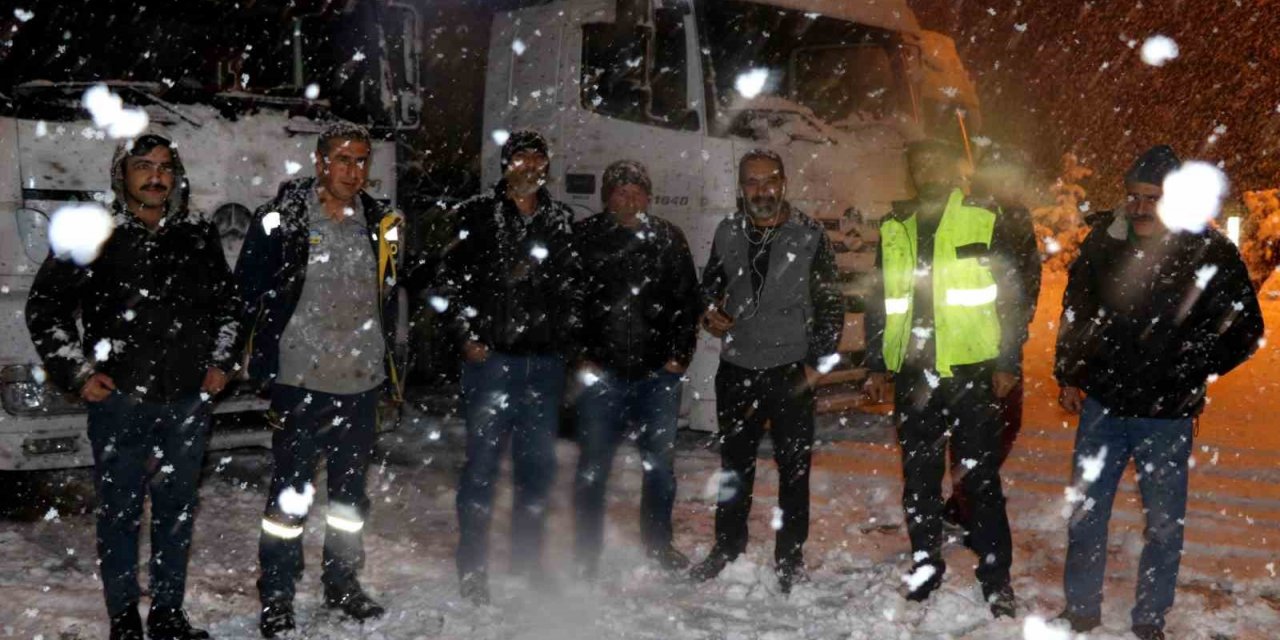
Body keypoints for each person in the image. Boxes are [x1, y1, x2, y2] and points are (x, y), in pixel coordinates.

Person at [26, 134, 240, 640]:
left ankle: (168, 614)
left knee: (175, 511)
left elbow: (228, 307)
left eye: (165, 167)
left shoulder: (196, 233)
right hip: (120, 400)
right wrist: (77, 373)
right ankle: (123, 618)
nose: (155, 176)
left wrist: (221, 362)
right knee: (119, 514)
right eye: (143, 166)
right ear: (122, 174)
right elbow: (46, 308)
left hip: (187, 400)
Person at [1053, 145, 1263, 640]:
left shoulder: (1208, 252)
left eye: (1153, 197)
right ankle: (1081, 609)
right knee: (1086, 514)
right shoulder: (1104, 245)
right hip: (1103, 406)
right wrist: (1069, 372)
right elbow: (1076, 310)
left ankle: (1149, 618)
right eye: (1134, 196)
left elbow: (1246, 330)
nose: (1140, 207)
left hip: (1166, 416)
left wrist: (1193, 368)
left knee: (1165, 526)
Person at [235, 122, 403, 637]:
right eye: (342, 160)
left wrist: (391, 369)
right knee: (290, 497)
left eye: (361, 161)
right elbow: (247, 293)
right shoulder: (276, 220)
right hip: (301, 381)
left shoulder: (385, 223)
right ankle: (278, 594)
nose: (353, 171)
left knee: (350, 500)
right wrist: (251, 359)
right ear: (319, 162)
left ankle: (342, 582)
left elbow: (389, 297)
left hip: (361, 382)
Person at [863, 139, 1038, 617]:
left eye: (935, 163)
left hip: (972, 371)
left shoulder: (983, 218)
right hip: (914, 375)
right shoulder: (896, 226)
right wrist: (879, 363)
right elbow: (882, 299)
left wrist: (1007, 361)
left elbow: (1012, 295)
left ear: (953, 168)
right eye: (918, 164)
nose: (927, 171)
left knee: (979, 481)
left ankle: (996, 578)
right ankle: (925, 567)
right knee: (919, 481)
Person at [688, 148, 844, 594]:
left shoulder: (809, 235)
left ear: (784, 183)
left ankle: (789, 558)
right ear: (741, 188)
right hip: (737, 368)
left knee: (794, 471)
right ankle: (727, 548)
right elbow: (710, 287)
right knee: (734, 466)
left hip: (791, 370)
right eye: (752, 182)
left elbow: (832, 305)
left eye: (769, 180)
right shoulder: (728, 231)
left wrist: (816, 367)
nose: (761, 190)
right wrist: (709, 311)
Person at [437, 130, 582, 605]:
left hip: (544, 365)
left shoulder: (561, 219)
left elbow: (574, 289)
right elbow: (446, 284)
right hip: (491, 363)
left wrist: (566, 341)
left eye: (538, 159)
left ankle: (527, 560)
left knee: (536, 470)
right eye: (520, 159)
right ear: (506, 164)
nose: (529, 167)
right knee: (481, 469)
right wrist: (464, 337)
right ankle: (473, 568)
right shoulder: (477, 215)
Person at [572, 160, 700, 579]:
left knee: (659, 467)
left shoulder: (668, 239)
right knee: (593, 465)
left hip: (656, 375)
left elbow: (687, 303)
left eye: (636, 191)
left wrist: (679, 355)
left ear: (649, 196)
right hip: (602, 374)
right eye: (620, 191)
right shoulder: (585, 239)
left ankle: (659, 544)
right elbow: (567, 303)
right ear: (606, 197)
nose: (629, 199)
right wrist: (580, 355)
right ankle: (586, 549)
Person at [943, 144, 1042, 535]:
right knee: (983, 430)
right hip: (978, 343)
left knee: (996, 427)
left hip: (994, 339)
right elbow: (1006, 285)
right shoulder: (982, 215)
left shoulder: (1011, 216)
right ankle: (969, 506)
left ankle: (966, 500)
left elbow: (1023, 282)